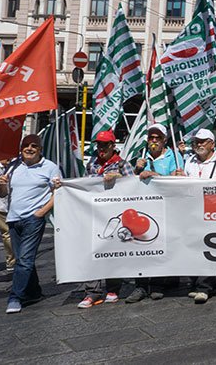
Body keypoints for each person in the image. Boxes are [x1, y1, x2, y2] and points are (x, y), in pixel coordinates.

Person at [0, 134, 60, 314]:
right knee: (23, 259)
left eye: (34, 145)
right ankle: (34, 292)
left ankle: (15, 297)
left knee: (24, 260)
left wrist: (41, 212)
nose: (30, 148)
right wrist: (1, 184)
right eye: (26, 145)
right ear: (21, 148)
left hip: (33, 219)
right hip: (13, 218)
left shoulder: (50, 167)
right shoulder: (13, 166)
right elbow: (3, 194)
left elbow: (58, 192)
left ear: (40, 149)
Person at [127, 124, 185, 304]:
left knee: (159, 245)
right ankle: (141, 285)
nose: (153, 141)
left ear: (164, 140)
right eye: (151, 137)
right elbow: (129, 182)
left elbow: (178, 181)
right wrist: (137, 170)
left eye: (157, 138)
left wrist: (155, 174)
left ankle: (158, 284)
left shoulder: (174, 157)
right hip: (143, 208)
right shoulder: (142, 157)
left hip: (164, 208)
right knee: (140, 245)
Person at [79, 130, 135, 309]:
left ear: (113, 146)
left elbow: (133, 185)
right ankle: (92, 292)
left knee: (112, 251)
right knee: (91, 251)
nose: (101, 148)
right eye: (99, 145)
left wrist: (119, 178)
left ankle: (113, 288)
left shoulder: (122, 165)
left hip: (113, 215)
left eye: (104, 145)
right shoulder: (92, 163)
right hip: (93, 213)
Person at [183, 129, 216, 303]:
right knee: (195, 245)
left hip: (214, 208)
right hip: (193, 209)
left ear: (212, 144)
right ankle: (196, 282)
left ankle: (205, 286)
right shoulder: (189, 161)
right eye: (196, 141)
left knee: (210, 246)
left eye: (203, 141)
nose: (199, 144)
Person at [0, 158, 15, 274]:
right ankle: (12, 261)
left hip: (4, 204)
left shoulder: (9, 167)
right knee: (7, 232)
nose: (10, 159)